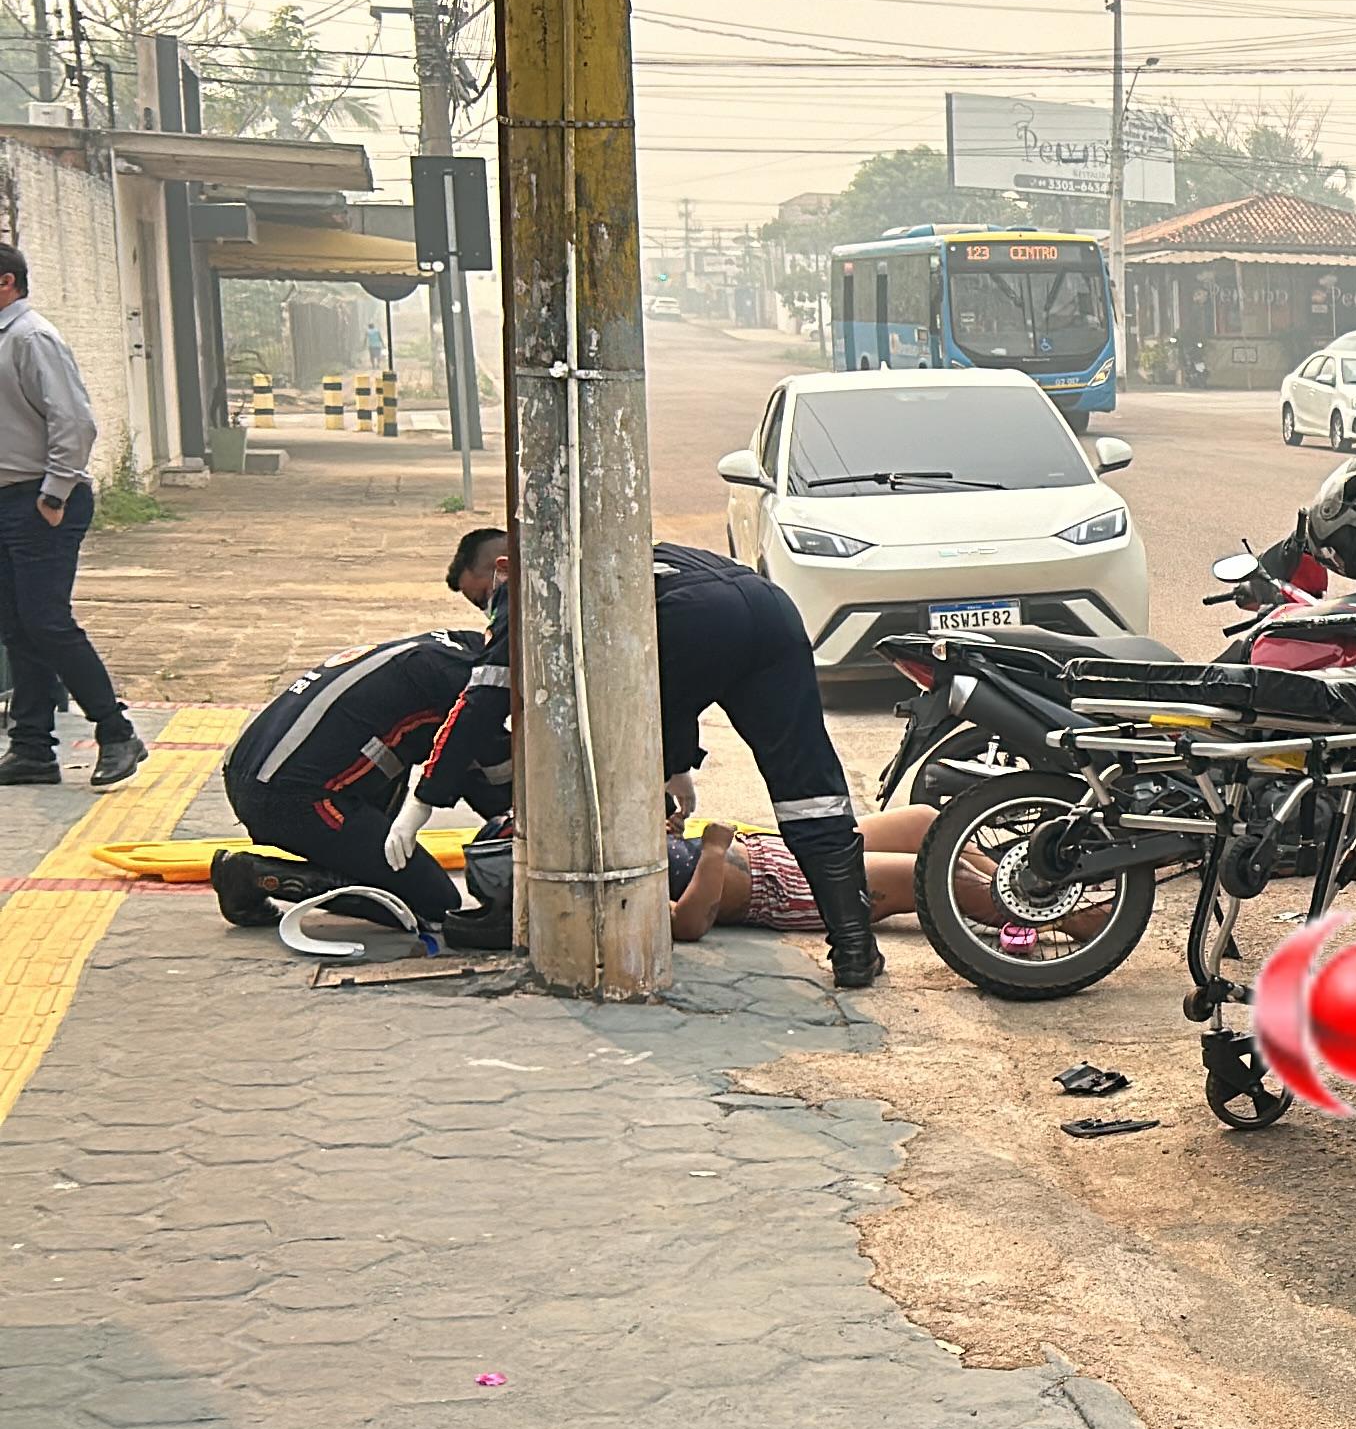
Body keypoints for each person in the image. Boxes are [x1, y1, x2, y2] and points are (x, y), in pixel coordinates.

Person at [411, 530, 884, 987]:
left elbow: (485, 698)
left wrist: (425, 798)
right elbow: (679, 675)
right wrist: (677, 765)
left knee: (610, 758)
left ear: (502, 567)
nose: (488, 610)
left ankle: (609, 937)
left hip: (697, 620)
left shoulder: (534, 579)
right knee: (807, 787)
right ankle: (854, 946)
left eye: (482, 597)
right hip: (769, 607)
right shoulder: (626, 549)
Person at [212, 627, 502, 929]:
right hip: (289, 798)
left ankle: (355, 868)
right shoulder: (462, 684)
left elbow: (473, 765)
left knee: (403, 745)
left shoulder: (448, 649)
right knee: (431, 902)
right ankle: (253, 875)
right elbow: (477, 769)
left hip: (253, 772)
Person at [0, 243, 144, 790]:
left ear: (6, 282)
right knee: (17, 626)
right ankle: (32, 749)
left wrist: (54, 493)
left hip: (40, 499)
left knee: (46, 621)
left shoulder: (31, 337)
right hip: (9, 498)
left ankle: (116, 731)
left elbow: (75, 422)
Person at [670, 810, 927, 941]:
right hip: (783, 887)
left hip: (777, 846)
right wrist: (714, 851)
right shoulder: (642, 890)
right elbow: (686, 924)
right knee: (932, 874)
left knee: (921, 821)